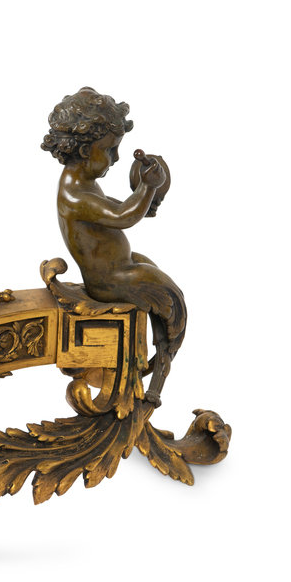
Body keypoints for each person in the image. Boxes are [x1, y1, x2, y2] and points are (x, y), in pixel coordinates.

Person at [41, 87, 185, 406]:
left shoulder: (83, 185)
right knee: (172, 298)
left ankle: (156, 366)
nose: (116, 159)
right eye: (110, 150)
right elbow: (122, 216)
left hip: (120, 268)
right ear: (83, 150)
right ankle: (159, 370)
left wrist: (147, 194)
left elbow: (121, 209)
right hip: (109, 282)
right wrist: (146, 188)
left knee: (154, 274)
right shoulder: (75, 196)